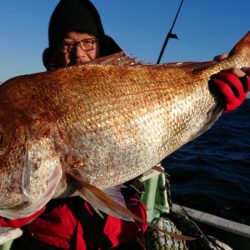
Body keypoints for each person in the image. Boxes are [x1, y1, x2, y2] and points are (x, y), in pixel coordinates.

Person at [0, 0, 249, 249]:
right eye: (67, 44)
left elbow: (163, 132)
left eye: (87, 42)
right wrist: (10, 214)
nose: (77, 53)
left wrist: (215, 96)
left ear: (100, 46)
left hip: (122, 235)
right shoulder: (25, 106)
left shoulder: (132, 88)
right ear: (53, 53)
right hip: (51, 240)